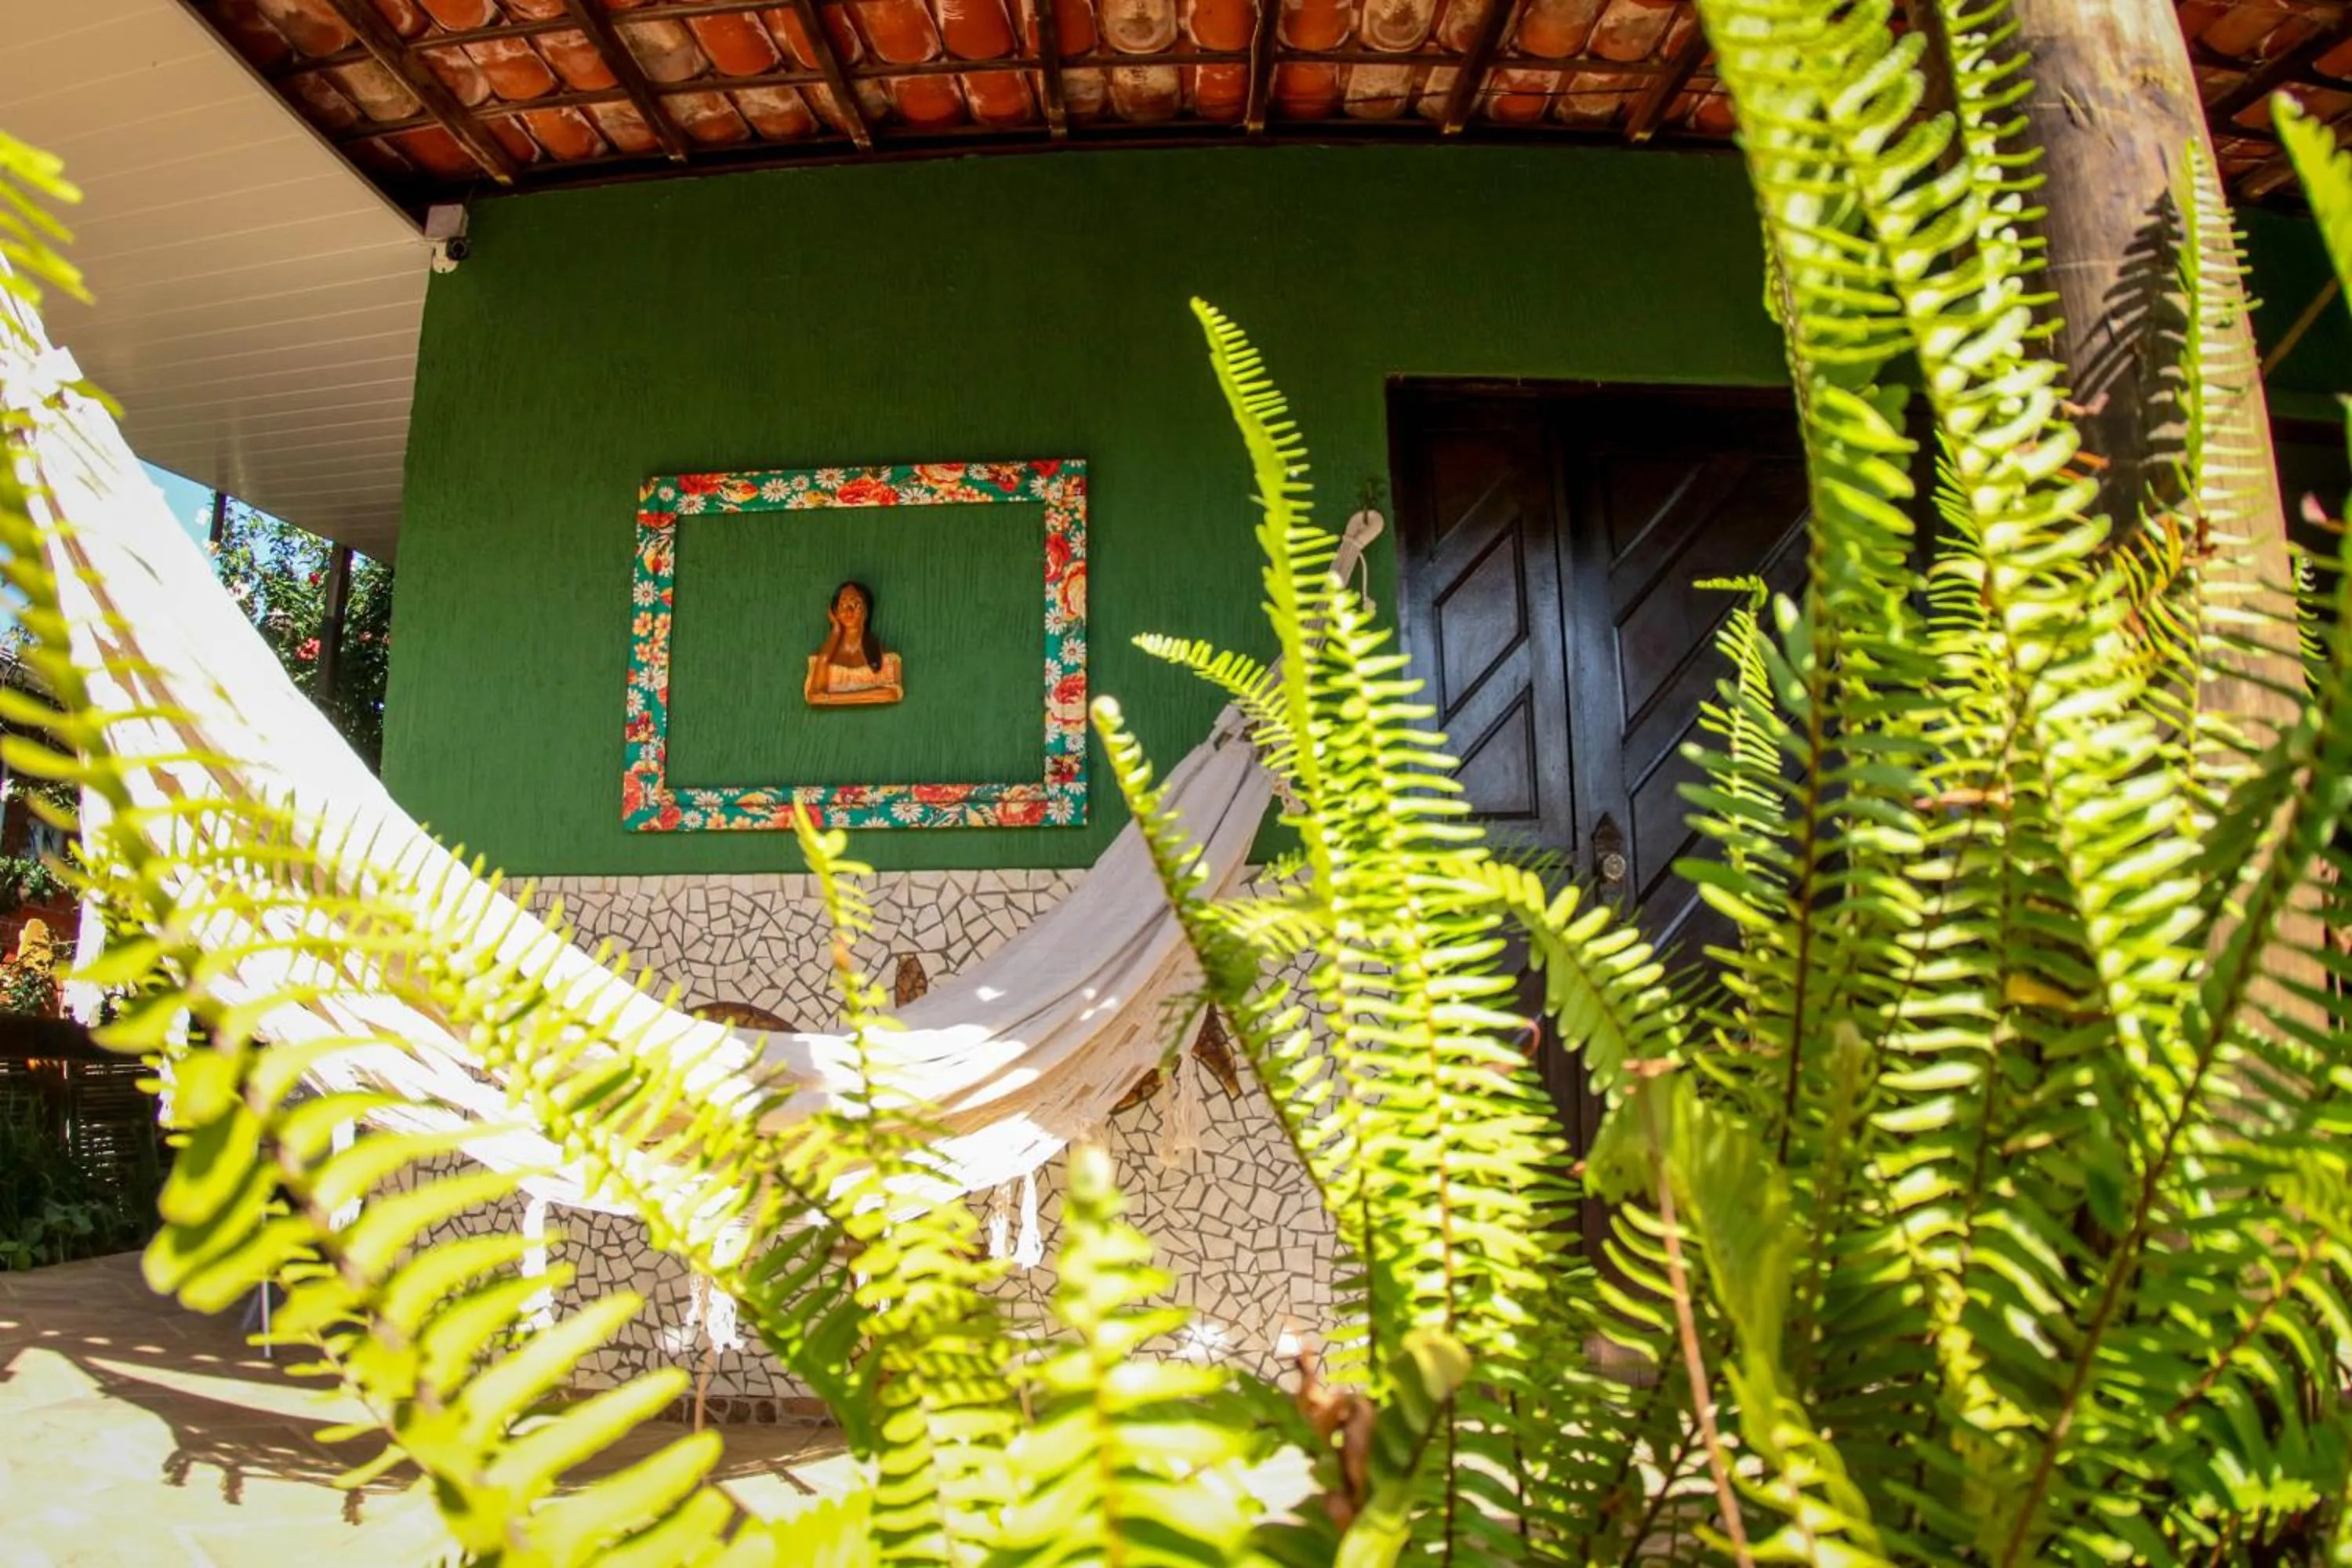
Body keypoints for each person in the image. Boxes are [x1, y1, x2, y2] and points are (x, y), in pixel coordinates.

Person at [804, 580, 903, 706]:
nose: (849, 611)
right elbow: (814, 696)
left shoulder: (886, 659)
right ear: (835, 613)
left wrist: (830, 698)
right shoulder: (823, 660)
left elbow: (891, 694)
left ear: (866, 611)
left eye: (856, 604)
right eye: (843, 605)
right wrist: (836, 631)